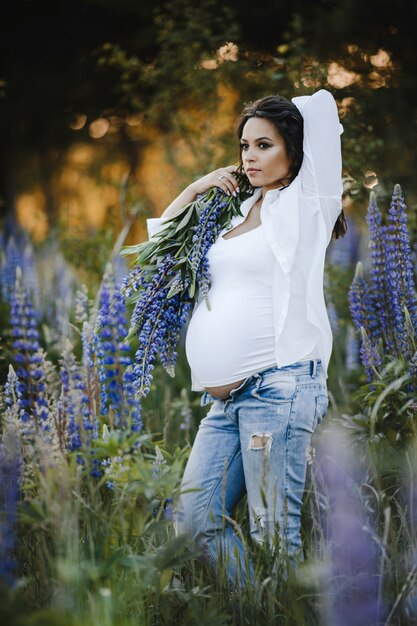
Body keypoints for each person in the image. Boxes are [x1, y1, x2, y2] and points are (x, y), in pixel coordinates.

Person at [146, 89, 345, 588]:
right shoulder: (232, 214)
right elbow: (157, 250)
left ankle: (282, 613)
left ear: (294, 152)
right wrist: (195, 188)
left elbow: (321, 111)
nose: (249, 157)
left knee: (273, 533)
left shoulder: (306, 210)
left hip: (278, 390)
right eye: (244, 146)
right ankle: (258, 611)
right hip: (227, 403)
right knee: (195, 522)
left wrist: (278, 110)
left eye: (264, 145)